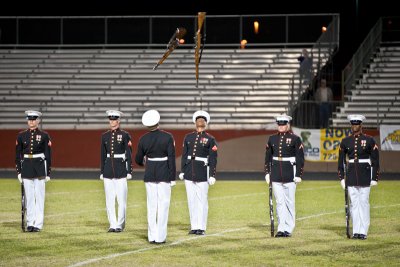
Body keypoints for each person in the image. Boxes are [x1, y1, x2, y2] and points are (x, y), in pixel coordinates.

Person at [135, 110, 176, 244]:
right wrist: (172, 177)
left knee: (151, 206)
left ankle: (151, 236)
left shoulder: (143, 139)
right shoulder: (168, 137)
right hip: (164, 173)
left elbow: (138, 159)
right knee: (163, 205)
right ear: (158, 122)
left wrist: (144, 162)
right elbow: (171, 158)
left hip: (150, 174)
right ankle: (160, 237)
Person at [338, 114, 379, 240]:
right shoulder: (345, 141)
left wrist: (374, 177)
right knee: (354, 204)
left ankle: (363, 231)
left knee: (364, 203)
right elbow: (341, 161)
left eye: (356, 124)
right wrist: (342, 178)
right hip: (351, 175)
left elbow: (375, 160)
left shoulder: (369, 140)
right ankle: (356, 231)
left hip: (365, 174)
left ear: (361, 125)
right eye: (352, 124)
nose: (354, 126)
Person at [264, 114, 304, 237]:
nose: (281, 126)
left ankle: (289, 228)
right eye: (279, 124)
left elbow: (300, 158)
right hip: (276, 173)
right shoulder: (272, 139)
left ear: (288, 125)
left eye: (283, 124)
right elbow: (268, 157)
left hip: (289, 173)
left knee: (289, 202)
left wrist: (298, 174)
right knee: (279, 202)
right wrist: (267, 173)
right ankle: (281, 228)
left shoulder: (295, 139)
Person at [179, 110, 218, 236]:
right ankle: (194, 226)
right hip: (190, 170)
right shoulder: (188, 137)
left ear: (206, 123)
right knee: (191, 200)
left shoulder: (210, 139)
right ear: (195, 122)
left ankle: (201, 227)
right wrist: (183, 170)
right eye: (198, 119)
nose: (200, 121)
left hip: (202, 171)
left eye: (203, 120)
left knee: (202, 200)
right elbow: (184, 155)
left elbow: (213, 158)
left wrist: (212, 174)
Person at [15, 110, 52, 232]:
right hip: (26, 168)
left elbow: (48, 155)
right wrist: (19, 172)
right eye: (29, 119)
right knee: (29, 198)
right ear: (27, 120)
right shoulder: (21, 136)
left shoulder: (44, 135)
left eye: (34, 119)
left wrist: (48, 173)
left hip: (40, 168)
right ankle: (30, 222)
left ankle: (38, 224)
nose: (31, 121)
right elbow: (18, 155)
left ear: (38, 121)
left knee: (39, 197)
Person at [100, 110, 132, 233]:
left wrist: (129, 170)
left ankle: (120, 224)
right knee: (109, 200)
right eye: (110, 119)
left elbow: (128, 153)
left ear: (118, 121)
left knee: (121, 200)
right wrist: (102, 171)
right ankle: (112, 224)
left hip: (120, 170)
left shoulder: (125, 135)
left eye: (114, 119)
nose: (112, 122)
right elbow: (103, 155)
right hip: (108, 170)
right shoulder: (104, 136)